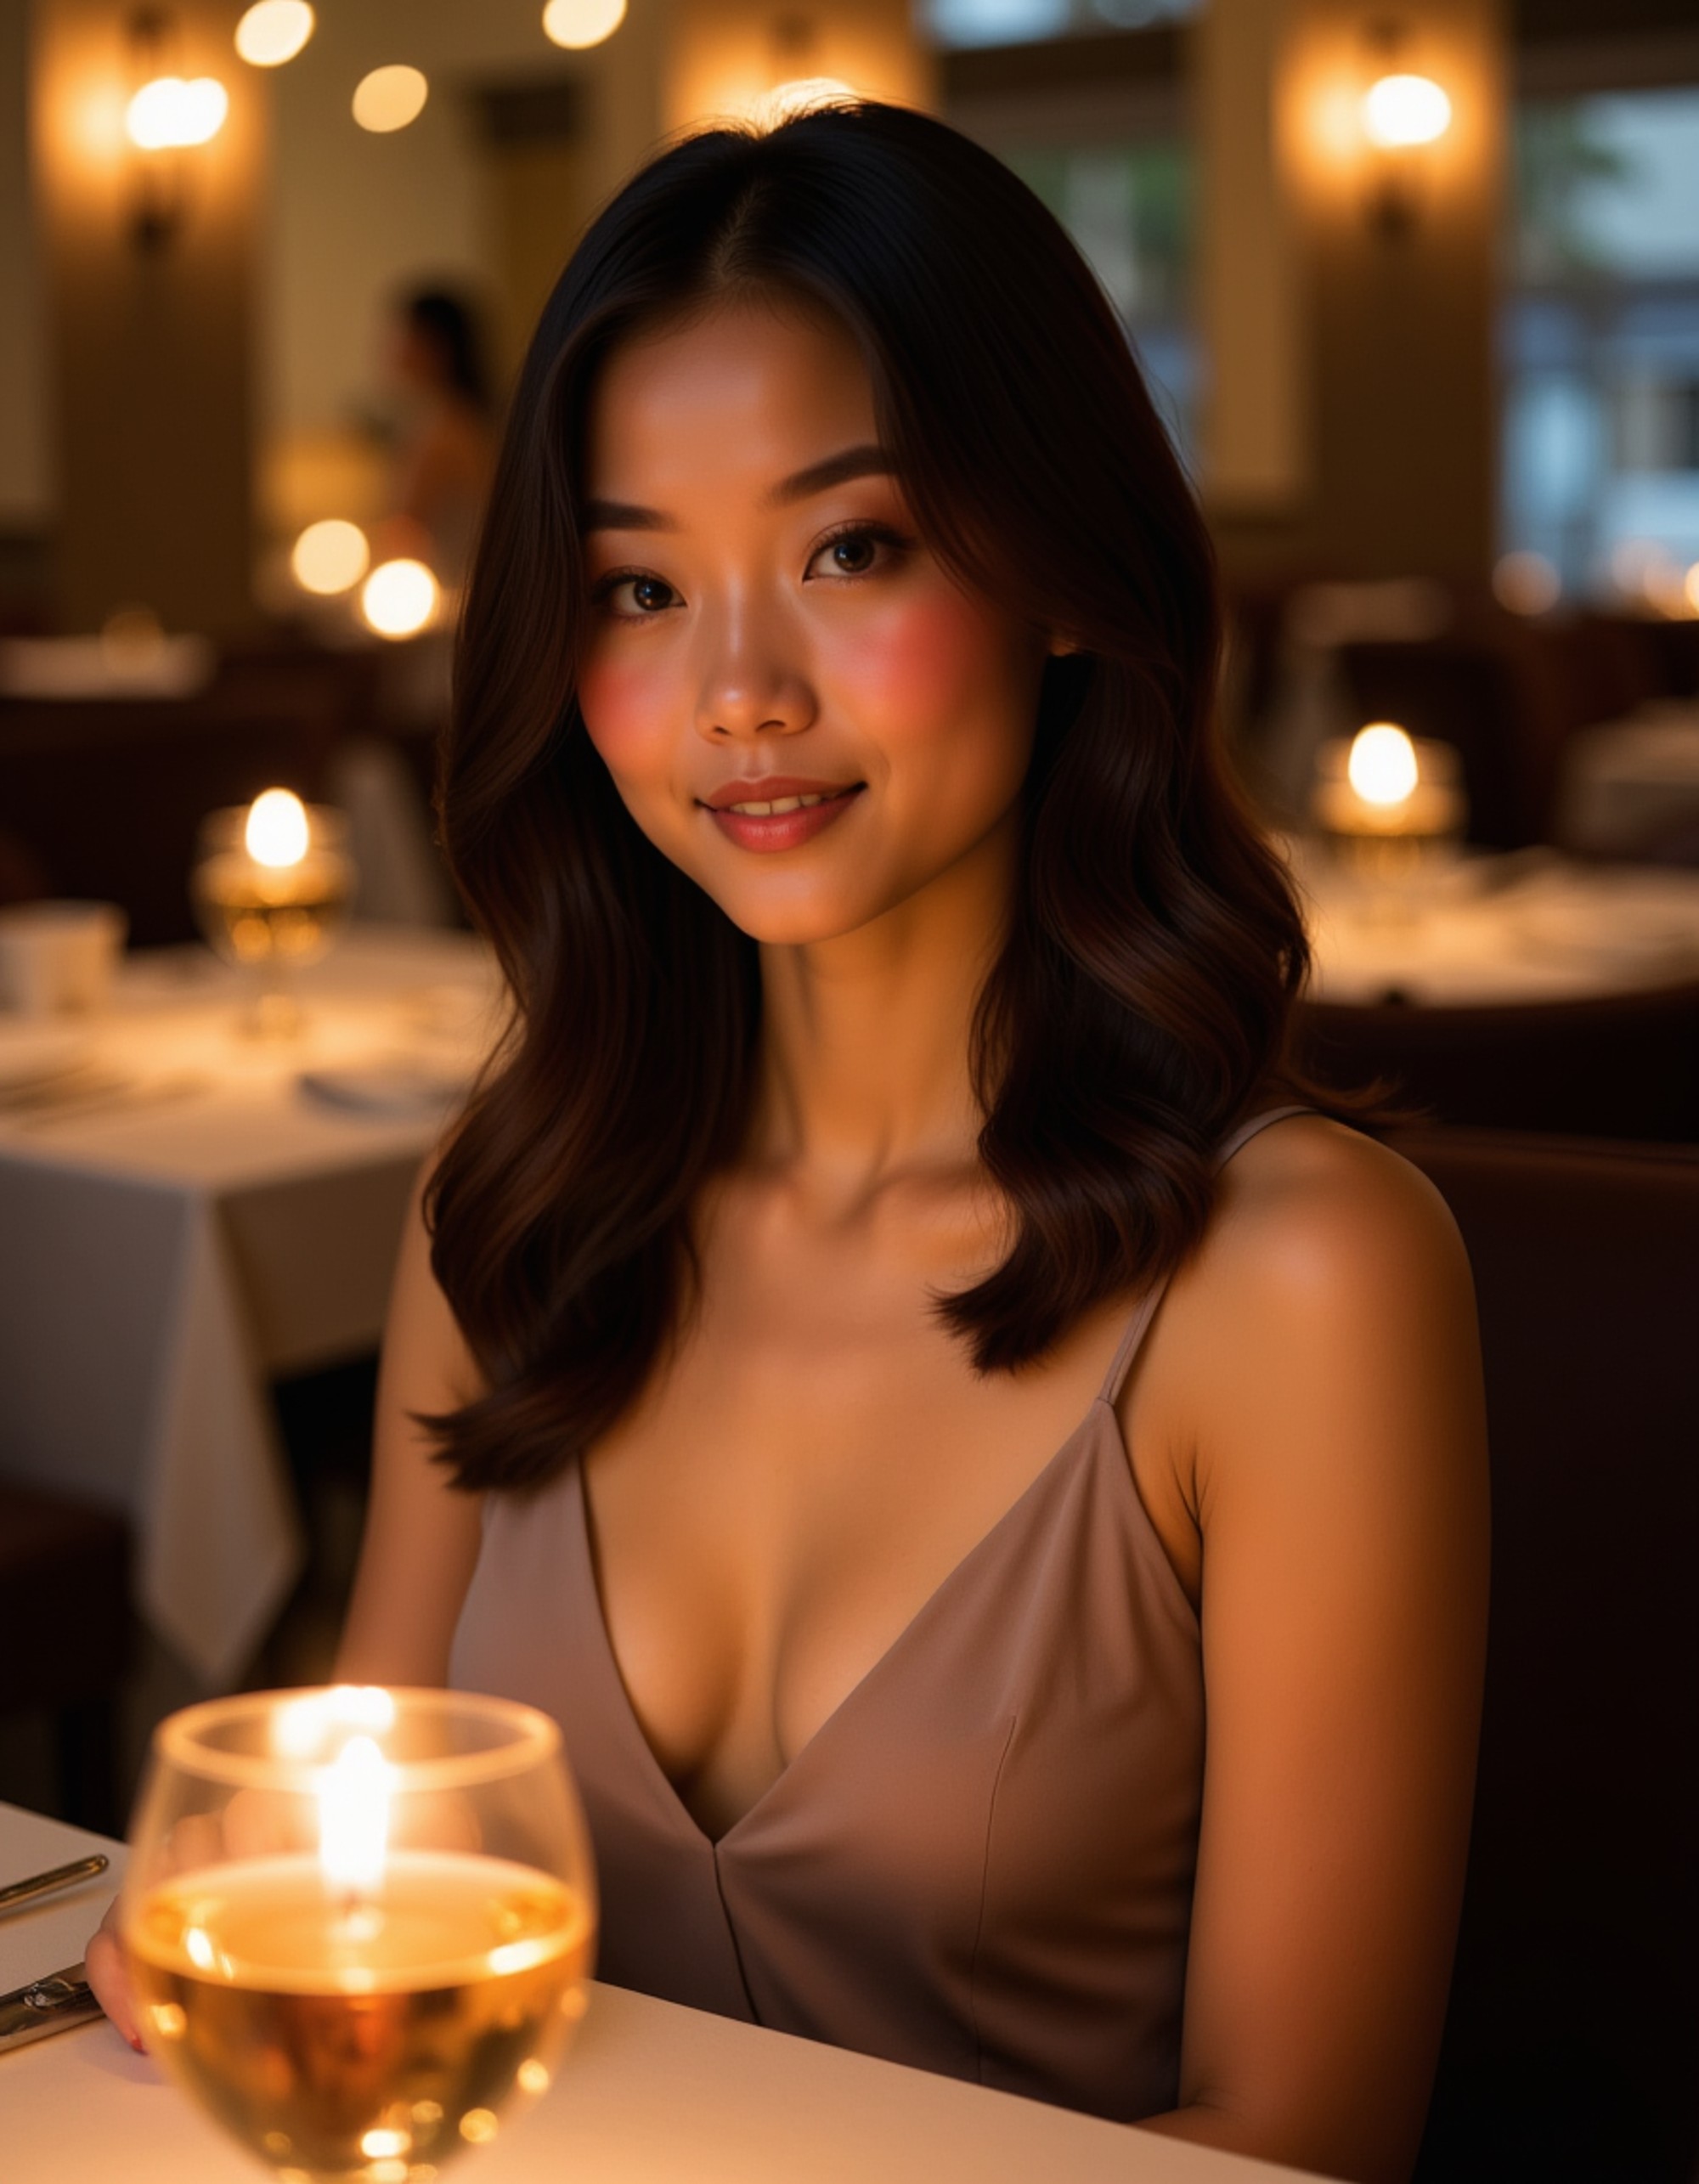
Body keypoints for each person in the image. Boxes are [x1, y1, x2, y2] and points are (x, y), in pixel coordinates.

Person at [91, 103, 1488, 2184]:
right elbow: (359, 1873)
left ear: (1057, 575)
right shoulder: (509, 1212)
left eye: (848, 549)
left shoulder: (1290, 1276)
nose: (735, 689)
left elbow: (1301, 2142)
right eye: (639, 585)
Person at [375, 285, 497, 586]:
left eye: (401, 337)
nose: (389, 350)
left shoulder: (442, 430)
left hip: (450, 590)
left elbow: (404, 530)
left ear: (435, 346)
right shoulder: (469, 419)